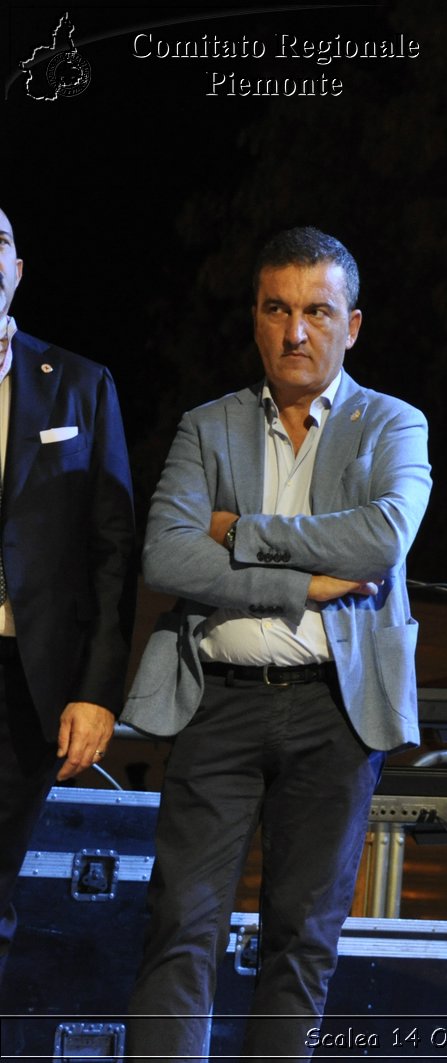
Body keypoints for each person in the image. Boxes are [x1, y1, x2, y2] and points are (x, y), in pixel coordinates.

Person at [121, 227, 433, 1060]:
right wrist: (299, 583)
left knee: (301, 941)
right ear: (256, 318)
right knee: (180, 924)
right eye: (278, 310)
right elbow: (165, 553)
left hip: (335, 711)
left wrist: (240, 533)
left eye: (317, 312)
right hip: (216, 701)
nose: (297, 332)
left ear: (352, 324)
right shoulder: (206, 426)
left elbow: (380, 540)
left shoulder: (393, 423)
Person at [0, 207, 136, 985]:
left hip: (22, 683)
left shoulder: (78, 384)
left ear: (18, 270)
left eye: (3, 244)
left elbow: (112, 551)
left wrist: (95, 691)